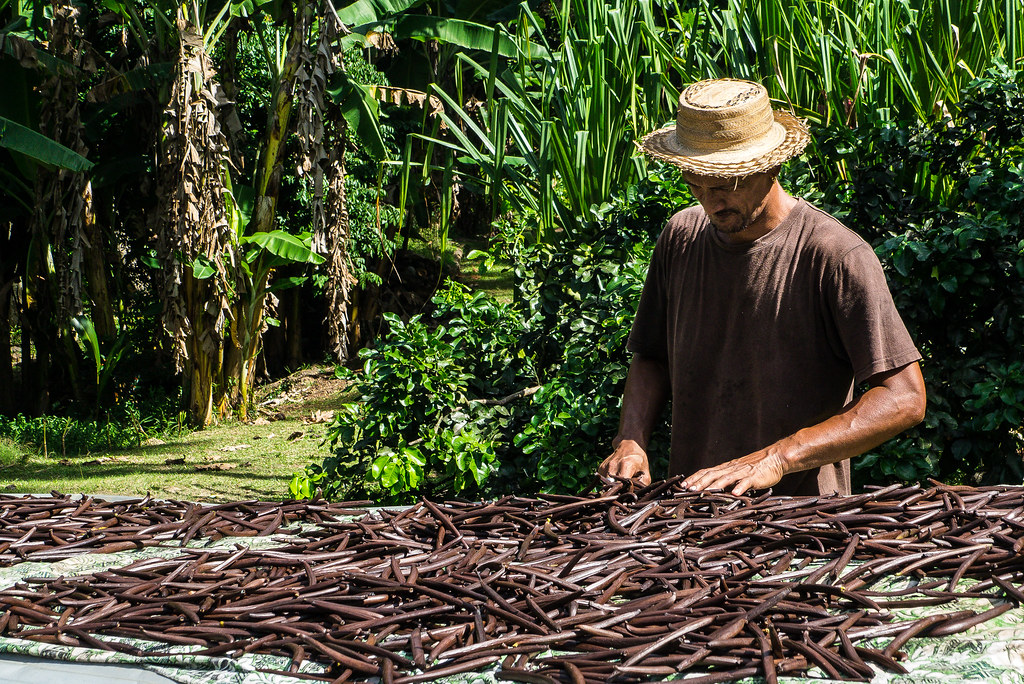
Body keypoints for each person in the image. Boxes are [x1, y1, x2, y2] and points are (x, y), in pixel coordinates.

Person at [598, 78, 926, 497]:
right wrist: (631, 439)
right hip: (692, 513)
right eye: (695, 184)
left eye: (725, 184)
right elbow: (652, 357)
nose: (710, 202)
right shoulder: (681, 238)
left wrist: (780, 457)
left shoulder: (834, 256)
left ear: (771, 165)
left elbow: (904, 398)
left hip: (803, 527)